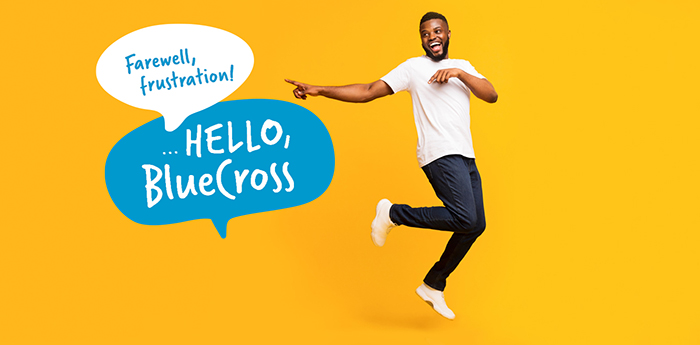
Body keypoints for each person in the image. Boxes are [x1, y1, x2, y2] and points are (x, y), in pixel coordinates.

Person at [285, 11, 498, 320]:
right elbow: (369, 91)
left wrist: (458, 74)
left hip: (466, 156)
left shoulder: (463, 68)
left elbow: (491, 95)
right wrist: (320, 90)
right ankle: (392, 213)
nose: (432, 37)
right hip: (440, 154)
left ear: (449, 33)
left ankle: (434, 284)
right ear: (422, 39)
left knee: (476, 224)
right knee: (465, 217)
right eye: (426, 34)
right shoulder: (414, 68)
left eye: (437, 31)